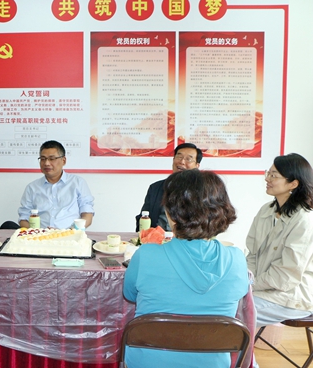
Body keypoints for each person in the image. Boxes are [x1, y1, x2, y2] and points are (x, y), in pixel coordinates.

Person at [123, 169, 249, 368]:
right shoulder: (237, 259)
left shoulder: (146, 255)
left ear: (171, 215)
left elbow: (129, 295)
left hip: (149, 361)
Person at [246, 153, 313, 329]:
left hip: (291, 296)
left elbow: (286, 275)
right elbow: (252, 255)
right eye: (268, 173)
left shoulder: (304, 220)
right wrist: (245, 281)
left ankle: (240, 349)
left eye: (274, 175)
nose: (267, 178)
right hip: (261, 288)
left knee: (234, 312)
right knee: (222, 304)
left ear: (293, 184)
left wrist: (249, 284)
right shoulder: (266, 210)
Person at [1, 140, 95, 229]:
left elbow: (87, 215)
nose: (46, 163)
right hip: (40, 236)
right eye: (43, 159)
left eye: (52, 159)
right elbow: (23, 218)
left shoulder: (78, 183)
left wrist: (70, 232)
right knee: (7, 225)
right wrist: (37, 233)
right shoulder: (32, 187)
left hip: (70, 235)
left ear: (63, 160)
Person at [135, 143, 202, 231]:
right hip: (157, 237)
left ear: (197, 166)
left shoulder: (203, 190)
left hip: (188, 238)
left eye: (188, 159)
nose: (182, 162)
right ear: (173, 160)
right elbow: (144, 216)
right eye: (179, 157)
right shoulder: (155, 188)